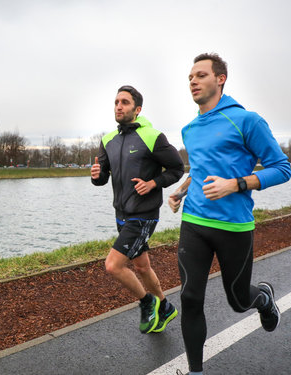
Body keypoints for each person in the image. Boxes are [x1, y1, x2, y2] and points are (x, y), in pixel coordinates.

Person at [169, 53, 291, 374]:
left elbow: (281, 169)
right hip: (194, 223)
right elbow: (199, 168)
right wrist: (181, 192)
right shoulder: (190, 129)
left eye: (200, 75)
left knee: (238, 301)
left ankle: (262, 299)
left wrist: (235, 184)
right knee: (190, 298)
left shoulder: (247, 120)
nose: (192, 81)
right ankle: (196, 371)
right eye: (190, 77)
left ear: (220, 79)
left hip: (234, 227)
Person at [91, 85, 184, 334]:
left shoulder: (152, 136)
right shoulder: (108, 140)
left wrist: (153, 183)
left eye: (124, 102)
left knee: (113, 265)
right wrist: (96, 176)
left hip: (143, 215)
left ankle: (147, 301)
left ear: (137, 109)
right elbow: (103, 178)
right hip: (121, 214)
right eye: (116, 102)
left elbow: (177, 169)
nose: (118, 106)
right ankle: (164, 307)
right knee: (142, 267)